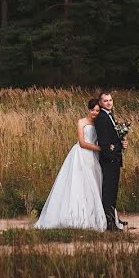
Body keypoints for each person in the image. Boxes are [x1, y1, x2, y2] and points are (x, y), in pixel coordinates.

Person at [35, 99, 108, 230]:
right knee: (78, 183)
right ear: (89, 110)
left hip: (93, 157)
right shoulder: (81, 122)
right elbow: (82, 143)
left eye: (97, 111)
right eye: (93, 110)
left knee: (93, 184)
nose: (95, 113)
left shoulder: (99, 123)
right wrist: (101, 149)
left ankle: (91, 215)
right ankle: (73, 215)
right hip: (81, 154)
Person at [94, 91, 128, 231]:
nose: (109, 103)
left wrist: (121, 142)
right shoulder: (102, 118)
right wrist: (112, 155)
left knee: (113, 191)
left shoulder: (110, 115)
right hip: (109, 160)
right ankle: (109, 223)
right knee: (108, 192)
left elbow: (113, 140)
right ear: (100, 103)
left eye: (110, 100)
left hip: (115, 158)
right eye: (106, 101)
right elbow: (104, 142)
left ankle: (113, 218)